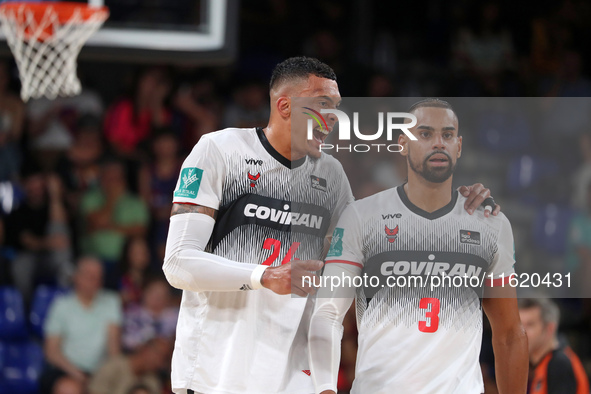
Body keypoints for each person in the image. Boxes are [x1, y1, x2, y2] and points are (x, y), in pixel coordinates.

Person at [163, 58, 501, 394]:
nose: (333, 118)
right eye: (323, 105)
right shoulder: (220, 151)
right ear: (284, 105)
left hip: (294, 379)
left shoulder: (331, 175)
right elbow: (178, 263)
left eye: (336, 108)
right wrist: (265, 276)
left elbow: (380, 245)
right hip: (215, 374)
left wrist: (459, 205)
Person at [308, 98, 528, 394]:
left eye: (447, 135)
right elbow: (328, 314)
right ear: (403, 144)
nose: (438, 143)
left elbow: (510, 334)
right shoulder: (361, 216)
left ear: (459, 146)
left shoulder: (491, 224)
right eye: (425, 134)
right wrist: (325, 388)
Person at [40, 257, 122, 394]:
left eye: (98, 276)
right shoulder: (62, 305)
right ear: (77, 277)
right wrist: (78, 374)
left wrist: (106, 376)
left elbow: (113, 349)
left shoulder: (111, 301)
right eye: (89, 276)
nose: (94, 281)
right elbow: (51, 351)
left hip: (100, 371)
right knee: (69, 389)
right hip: (66, 369)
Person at [519, 297, 590, 394]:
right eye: (520, 325)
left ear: (550, 328)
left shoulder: (559, 364)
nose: (522, 332)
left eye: (530, 325)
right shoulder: (546, 363)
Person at [88, 338, 170, 394]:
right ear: (147, 349)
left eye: (164, 360)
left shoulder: (153, 382)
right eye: (161, 356)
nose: (161, 363)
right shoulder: (114, 366)